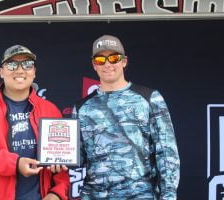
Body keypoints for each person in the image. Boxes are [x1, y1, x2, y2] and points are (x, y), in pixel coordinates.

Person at [72, 35, 180, 199]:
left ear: (124, 61)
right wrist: (57, 161)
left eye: (114, 58)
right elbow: (76, 158)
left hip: (140, 194)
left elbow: (167, 153)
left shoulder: (150, 98)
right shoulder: (81, 108)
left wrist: (169, 196)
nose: (108, 64)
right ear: (94, 65)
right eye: (101, 59)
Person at [0, 45, 69, 200]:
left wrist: (56, 193)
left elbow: (62, 164)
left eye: (27, 64)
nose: (20, 70)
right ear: (1, 72)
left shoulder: (50, 110)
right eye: (12, 64)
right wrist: (15, 164)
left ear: (34, 72)